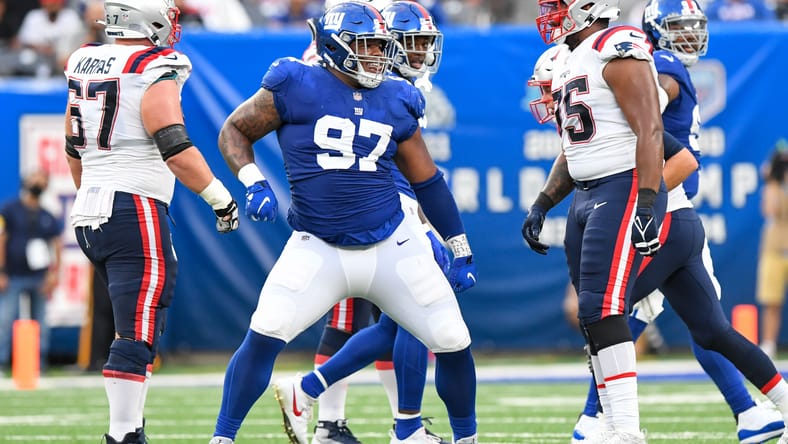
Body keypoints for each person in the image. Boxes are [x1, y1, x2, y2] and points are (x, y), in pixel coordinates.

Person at [207, 3, 478, 444]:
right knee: (267, 329)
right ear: (336, 46)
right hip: (319, 244)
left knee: (451, 337)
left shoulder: (396, 96)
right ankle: (222, 438)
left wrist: (459, 245)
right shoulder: (294, 82)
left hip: (394, 242)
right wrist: (252, 180)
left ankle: (466, 438)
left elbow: (427, 180)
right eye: (367, 46)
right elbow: (234, 130)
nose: (376, 56)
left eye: (380, 47)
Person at [569, 1, 785, 442]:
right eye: (679, 26)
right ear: (655, 28)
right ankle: (757, 410)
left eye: (693, 26)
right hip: (675, 210)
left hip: (659, 211)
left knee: (608, 310)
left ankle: (598, 420)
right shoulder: (660, 61)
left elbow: (656, 105)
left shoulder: (660, 64)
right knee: (709, 327)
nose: (689, 34)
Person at [63, 1, 240, 442]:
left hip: (91, 208)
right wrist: (220, 199)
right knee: (139, 329)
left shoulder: (85, 59)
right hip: (133, 206)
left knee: (134, 322)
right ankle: (124, 435)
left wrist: (92, 191)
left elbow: (72, 145)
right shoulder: (154, 64)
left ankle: (129, 430)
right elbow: (173, 144)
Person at [291, 2, 450, 443]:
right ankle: (334, 419)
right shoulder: (343, 73)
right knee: (355, 318)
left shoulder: (391, 81)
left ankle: (398, 420)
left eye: (424, 42)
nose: (420, 52)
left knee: (395, 318)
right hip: (347, 207)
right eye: (411, 43)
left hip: (384, 201)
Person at [525, 0, 669, 441]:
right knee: (590, 313)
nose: (551, 12)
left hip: (621, 185)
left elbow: (650, 128)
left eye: (559, 5)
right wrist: (543, 202)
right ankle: (609, 421)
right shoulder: (567, 59)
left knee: (604, 308)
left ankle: (626, 430)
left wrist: (647, 200)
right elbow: (576, 149)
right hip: (586, 194)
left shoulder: (616, 44)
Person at [0, 170, 63, 375]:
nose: (37, 182)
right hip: (13, 274)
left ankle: (38, 364)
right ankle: (2, 362)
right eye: (34, 177)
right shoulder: (10, 209)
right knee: (5, 320)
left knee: (41, 323)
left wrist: (54, 274)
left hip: (39, 276)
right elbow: (2, 239)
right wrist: (1, 271)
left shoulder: (47, 215)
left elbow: (56, 245)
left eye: (42, 179)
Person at [756, 139, 788, 360]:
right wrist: (772, 181)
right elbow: (770, 210)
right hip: (774, 250)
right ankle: (769, 344)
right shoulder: (773, 186)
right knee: (771, 301)